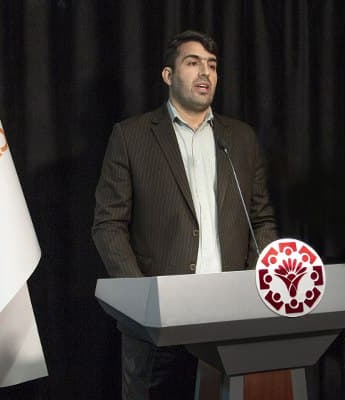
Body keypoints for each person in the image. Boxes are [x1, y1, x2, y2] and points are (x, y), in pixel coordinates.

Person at [92, 30, 277, 399]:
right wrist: (142, 299)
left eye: (212, 65)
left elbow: (261, 221)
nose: (205, 73)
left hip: (230, 316)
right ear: (168, 75)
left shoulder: (240, 139)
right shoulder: (131, 136)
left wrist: (252, 287)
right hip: (158, 323)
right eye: (193, 63)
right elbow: (108, 225)